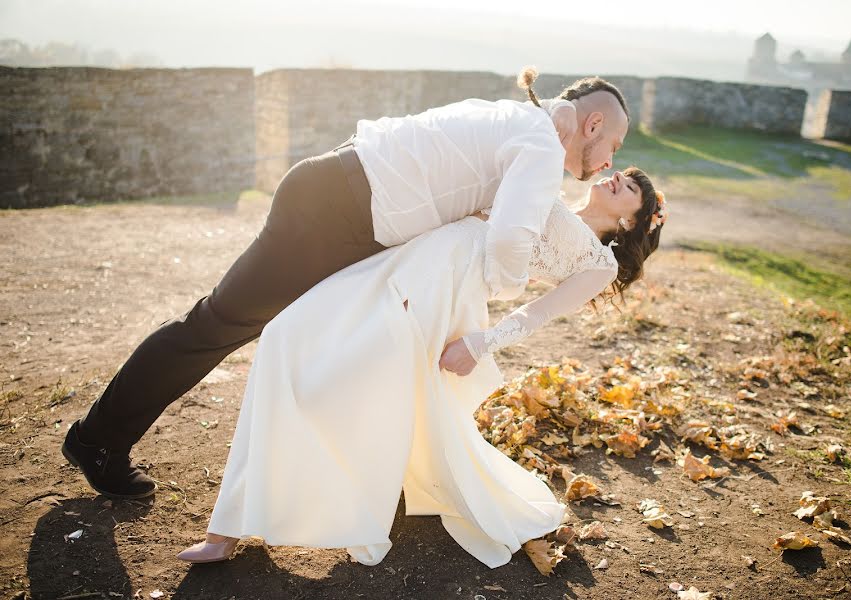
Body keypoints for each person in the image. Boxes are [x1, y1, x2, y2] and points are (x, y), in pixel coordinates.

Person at [61, 67, 631, 500]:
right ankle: (96, 440)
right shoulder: (537, 144)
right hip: (334, 217)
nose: (609, 162)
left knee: (327, 340)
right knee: (215, 325)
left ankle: (340, 482)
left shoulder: (516, 120)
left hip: (340, 204)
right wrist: (499, 286)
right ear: (593, 124)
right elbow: (510, 242)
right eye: (614, 147)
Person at [176, 166, 667, 568]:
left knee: (349, 385)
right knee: (285, 332)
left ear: (630, 222)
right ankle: (241, 517)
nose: (617, 180)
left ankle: (230, 529)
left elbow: (535, 313)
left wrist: (481, 342)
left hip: (443, 291)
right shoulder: (545, 187)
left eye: (630, 189)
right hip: (406, 260)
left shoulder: (596, 263)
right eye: (620, 174)